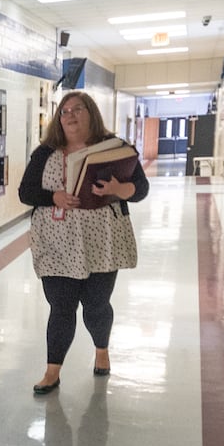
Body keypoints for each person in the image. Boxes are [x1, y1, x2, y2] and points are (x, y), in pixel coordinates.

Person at [18, 91, 149, 394]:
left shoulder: (116, 149)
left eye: (78, 109)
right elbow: (26, 193)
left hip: (102, 241)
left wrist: (120, 188)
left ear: (92, 113)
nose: (70, 115)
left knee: (96, 304)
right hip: (55, 242)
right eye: (64, 111)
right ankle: (52, 372)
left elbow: (141, 188)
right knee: (61, 306)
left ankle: (101, 349)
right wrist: (54, 196)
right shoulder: (45, 153)